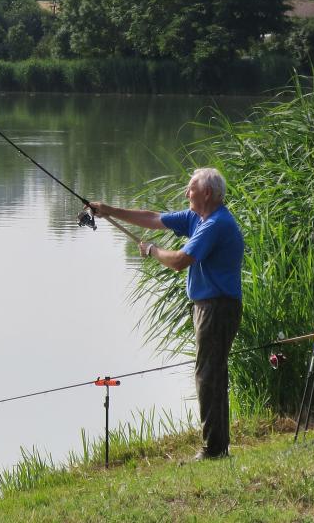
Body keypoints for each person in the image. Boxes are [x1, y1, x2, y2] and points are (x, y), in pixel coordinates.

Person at [90, 167, 244, 460]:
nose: (186, 193)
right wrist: (107, 210)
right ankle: (219, 447)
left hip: (218, 307)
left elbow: (179, 261)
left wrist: (152, 251)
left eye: (191, 189)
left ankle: (213, 450)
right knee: (212, 373)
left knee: (208, 375)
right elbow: (152, 218)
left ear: (207, 193)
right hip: (210, 306)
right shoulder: (197, 218)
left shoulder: (215, 224)